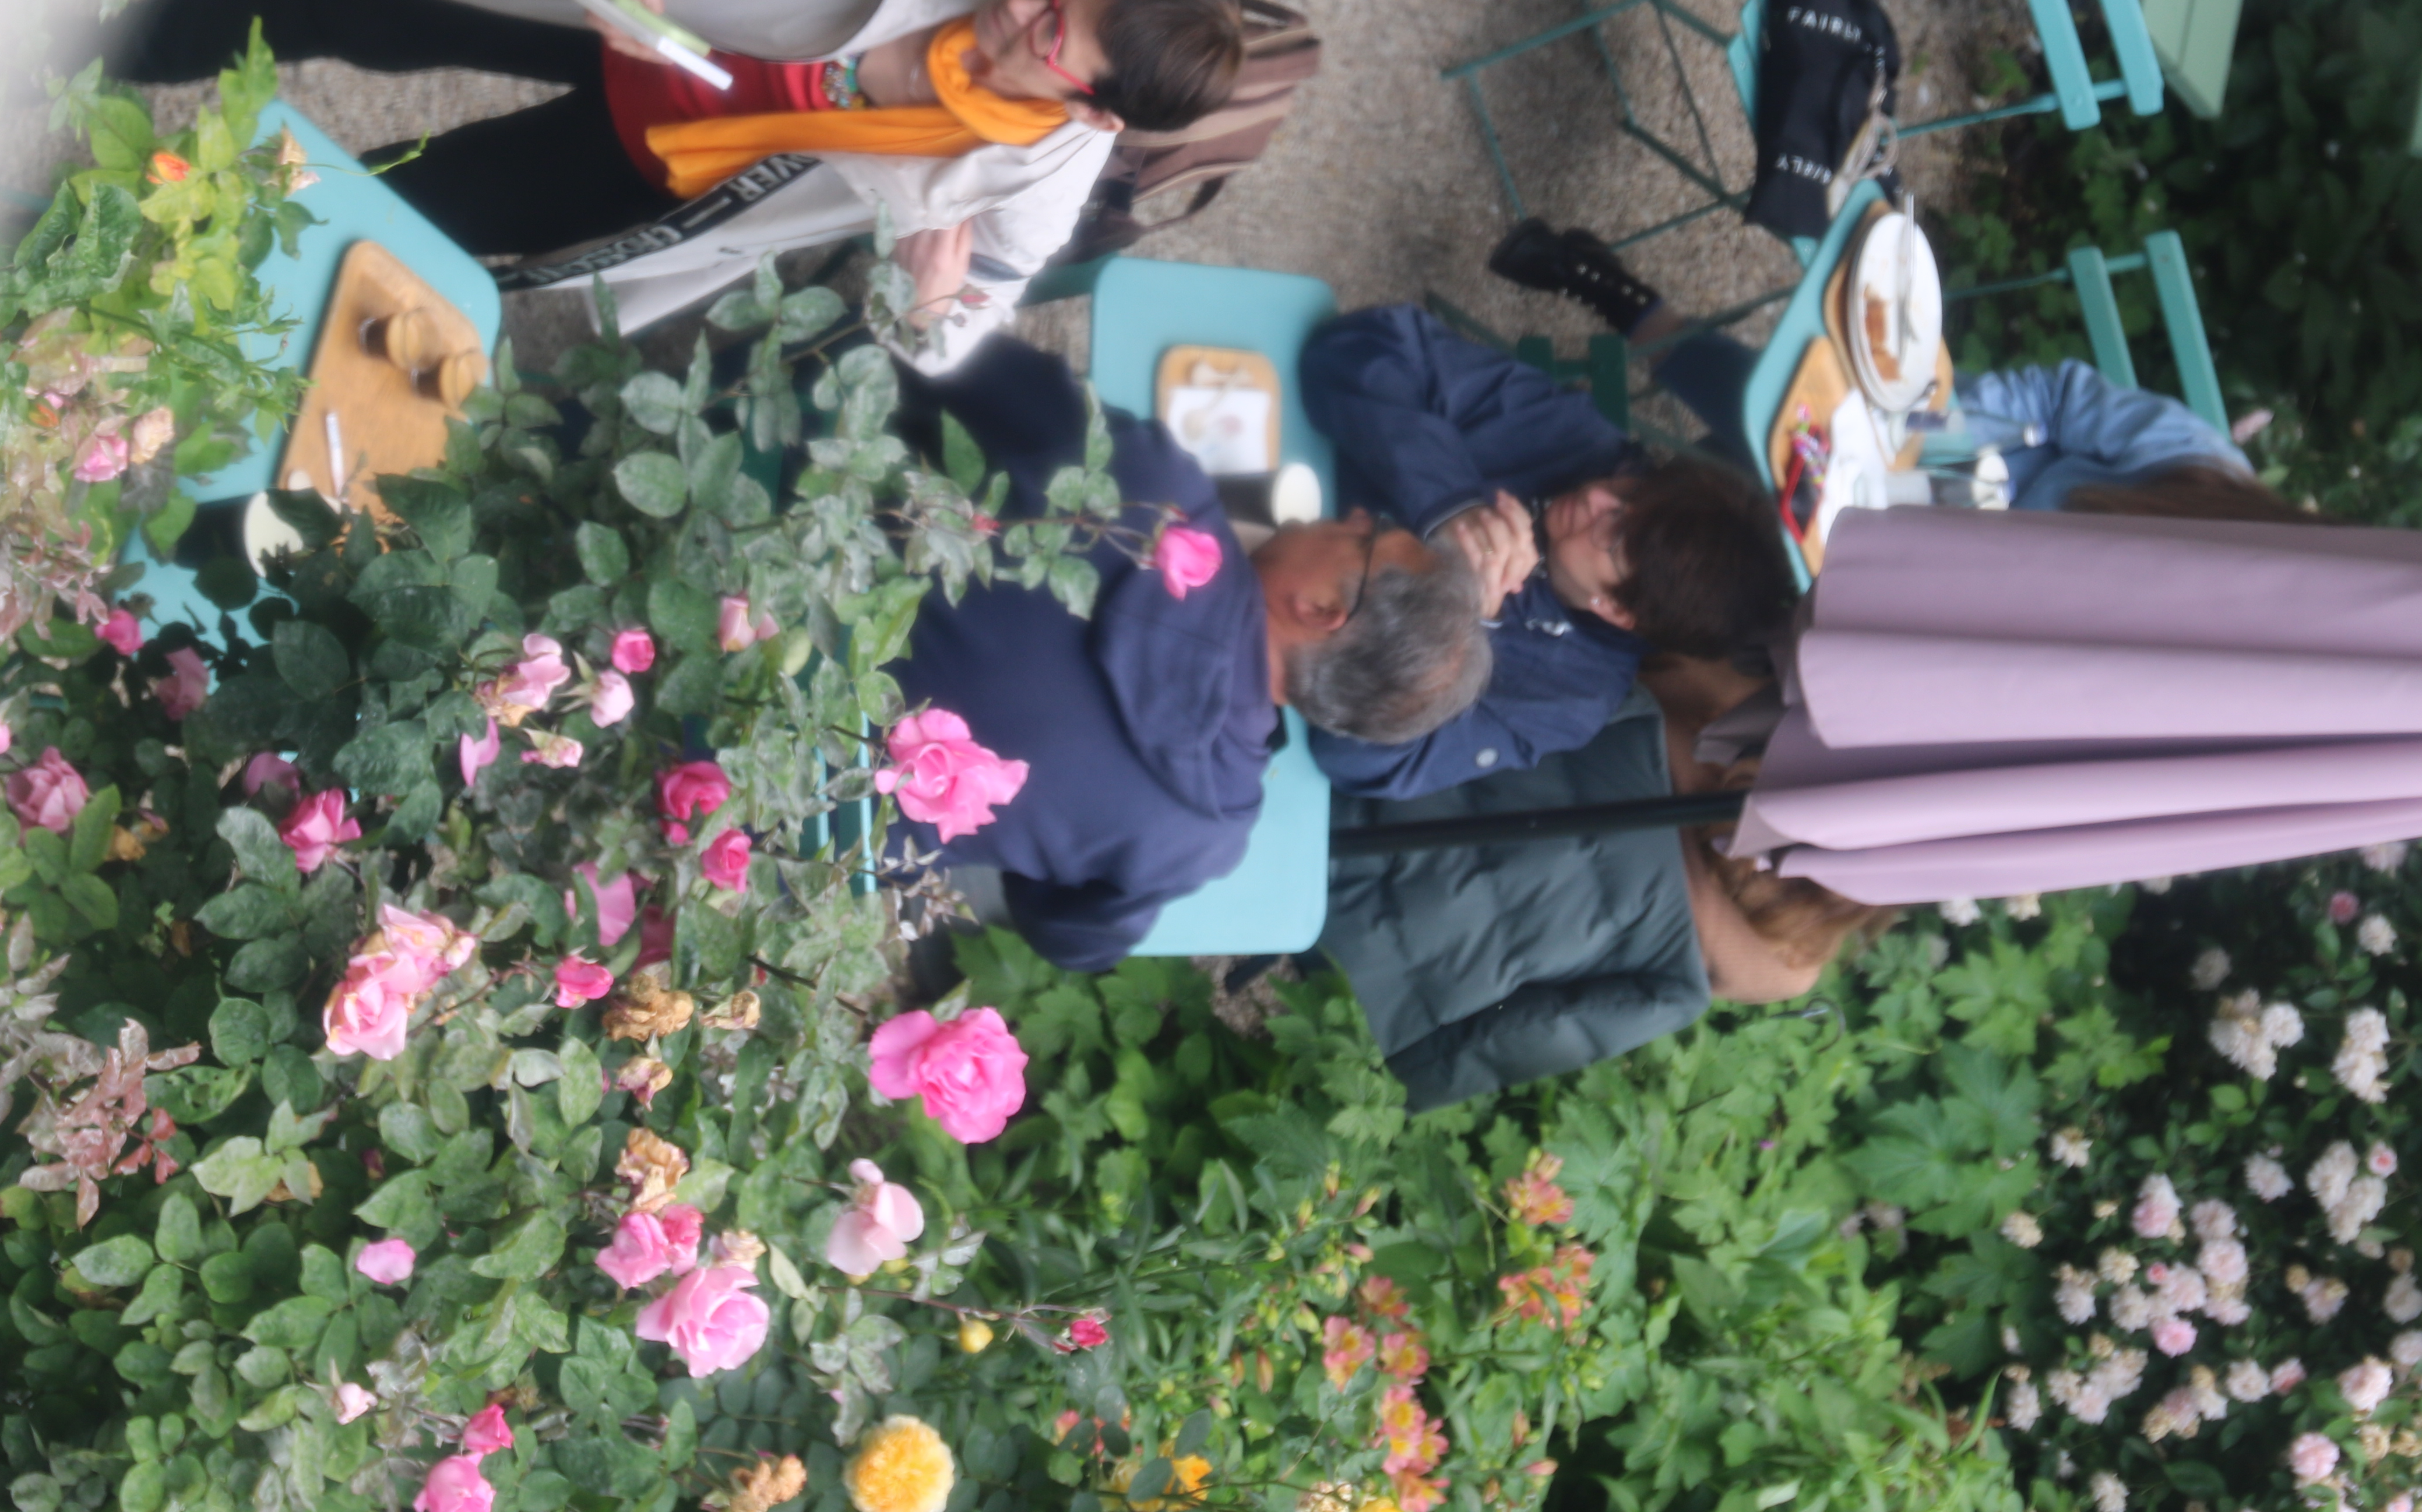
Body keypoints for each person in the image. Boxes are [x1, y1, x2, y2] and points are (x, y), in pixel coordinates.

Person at [99, 0, 1251, 367]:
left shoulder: (1038, 178)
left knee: (410, 216)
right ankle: (99, 54)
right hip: (637, 14)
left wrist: (924, 301)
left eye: (1058, 30)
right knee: (350, 2)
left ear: (1096, 114)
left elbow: (960, 327)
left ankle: (134, 261)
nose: (1022, 1)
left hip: (661, 169)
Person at [888, 333, 1493, 971]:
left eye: (1371, 536)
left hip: (786, 552)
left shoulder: (1159, 493)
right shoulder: (1204, 835)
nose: (1360, 514)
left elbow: (954, 354)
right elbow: (1071, 938)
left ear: (1320, 611)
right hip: (791, 805)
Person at [1296, 304, 1796, 799]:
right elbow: (1359, 343)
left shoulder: (1570, 697)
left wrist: (1450, 637)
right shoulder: (1581, 446)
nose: (1597, 499)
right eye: (1629, 495)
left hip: (1276, 632)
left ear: (1617, 610)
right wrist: (1445, 502)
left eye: (1615, 535)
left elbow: (1357, 762)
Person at [1487, 213, 2287, 514]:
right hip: (1953, 439)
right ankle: (1619, 303)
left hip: (1919, 546)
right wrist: (1930, 432)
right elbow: (2060, 395)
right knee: (1783, 424)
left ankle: (1619, 466)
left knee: (1756, 513)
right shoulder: (2206, 470)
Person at [1312, 697, 1898, 1108]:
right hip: (1334, 973)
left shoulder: (1631, 715)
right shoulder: (1681, 978)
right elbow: (1516, 1040)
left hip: (1316, 786)